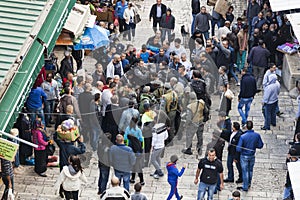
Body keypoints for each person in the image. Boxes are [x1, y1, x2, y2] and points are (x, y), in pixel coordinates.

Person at [236, 120, 264, 191]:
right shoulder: (257, 135)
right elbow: (260, 145)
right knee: (250, 170)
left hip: (244, 155)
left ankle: (245, 186)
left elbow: (238, 149)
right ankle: (248, 183)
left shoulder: (243, 137)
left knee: (245, 171)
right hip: (252, 155)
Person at [124, 117, 145, 185]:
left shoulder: (127, 128)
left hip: (130, 148)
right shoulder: (138, 130)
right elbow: (141, 139)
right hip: (137, 149)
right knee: (138, 165)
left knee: (133, 164)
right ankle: (141, 180)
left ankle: (132, 178)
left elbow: (125, 138)